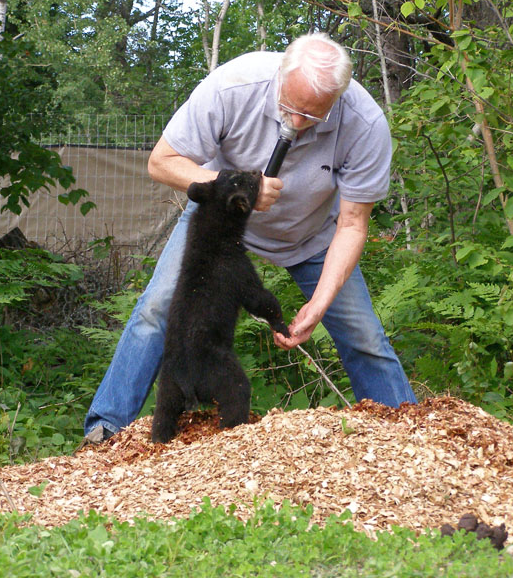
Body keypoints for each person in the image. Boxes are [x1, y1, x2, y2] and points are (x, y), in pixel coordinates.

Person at [83, 32, 417, 444]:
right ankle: (106, 427)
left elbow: (352, 225)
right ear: (279, 76)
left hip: (311, 236)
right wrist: (235, 189)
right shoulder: (233, 86)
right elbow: (161, 162)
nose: (296, 123)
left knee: (365, 336)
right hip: (218, 227)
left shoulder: (365, 125)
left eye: (312, 116)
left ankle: (406, 438)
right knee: (156, 308)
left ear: (339, 99)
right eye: (290, 108)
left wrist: (320, 304)